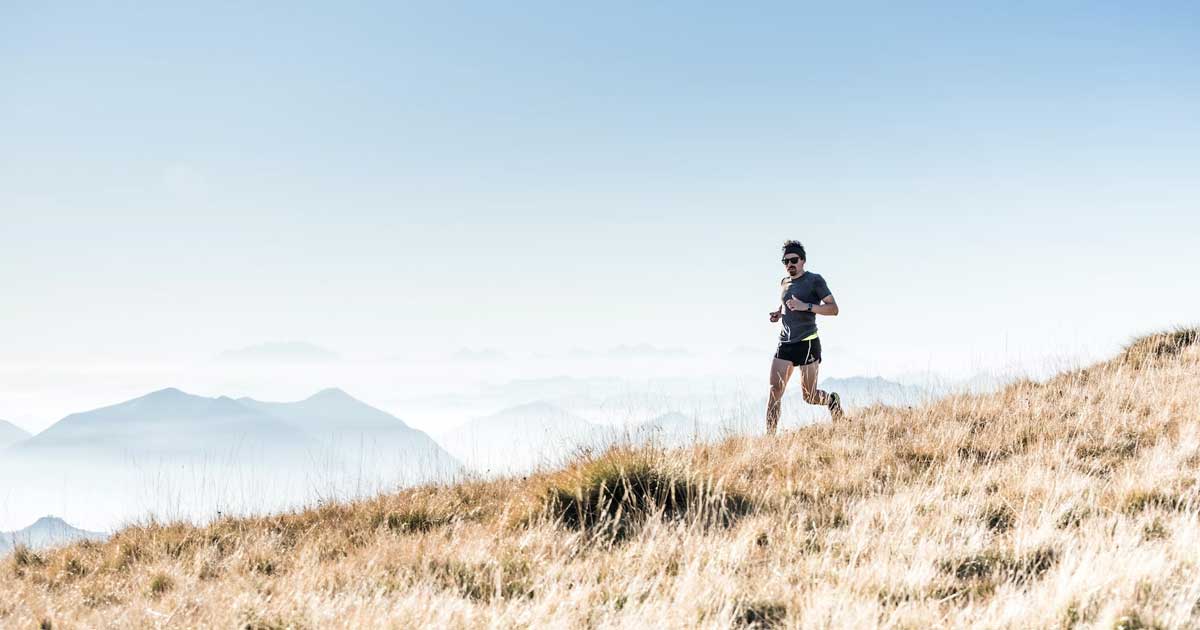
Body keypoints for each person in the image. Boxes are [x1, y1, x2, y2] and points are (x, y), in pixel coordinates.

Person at [765, 240, 842, 435]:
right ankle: (769, 440)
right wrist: (779, 315)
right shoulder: (784, 283)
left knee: (809, 396)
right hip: (785, 343)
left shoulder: (814, 280)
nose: (790, 264)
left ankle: (831, 400)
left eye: (793, 260)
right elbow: (787, 306)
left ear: (803, 260)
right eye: (786, 261)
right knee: (775, 390)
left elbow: (833, 309)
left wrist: (806, 306)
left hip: (807, 342)